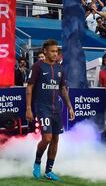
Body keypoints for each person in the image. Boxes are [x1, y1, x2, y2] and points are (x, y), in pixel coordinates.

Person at [26, 39, 75, 180]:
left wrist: (69, 106)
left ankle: (49, 170)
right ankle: (37, 163)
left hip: (56, 109)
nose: (55, 54)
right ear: (45, 51)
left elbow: (63, 89)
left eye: (57, 52)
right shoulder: (37, 66)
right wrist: (29, 108)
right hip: (42, 107)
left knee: (55, 139)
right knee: (46, 138)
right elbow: (29, 88)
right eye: (52, 51)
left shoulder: (60, 68)